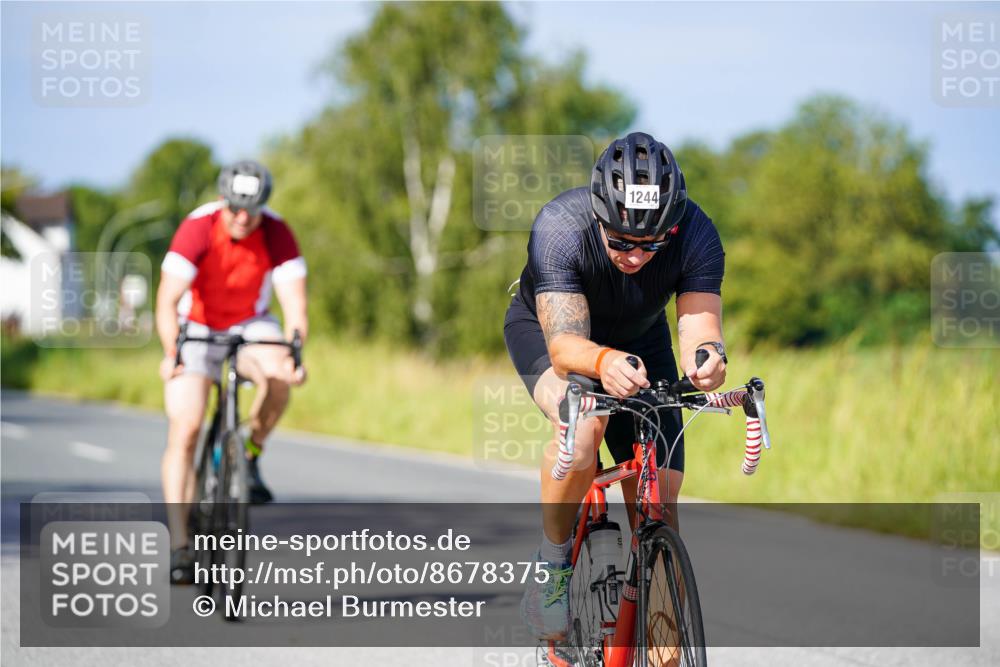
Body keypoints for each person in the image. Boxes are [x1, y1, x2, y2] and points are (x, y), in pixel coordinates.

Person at [503, 132, 727, 641]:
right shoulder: (561, 227)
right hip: (554, 335)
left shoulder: (696, 233)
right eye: (621, 241)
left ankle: (664, 640)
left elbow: (701, 330)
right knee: (583, 431)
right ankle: (554, 567)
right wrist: (602, 361)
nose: (635, 256)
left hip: (639, 342)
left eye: (652, 244)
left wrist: (708, 359)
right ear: (600, 215)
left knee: (660, 504)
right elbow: (565, 349)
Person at [155, 160, 308, 584]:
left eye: (253, 209)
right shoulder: (198, 227)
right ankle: (181, 546)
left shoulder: (276, 231)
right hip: (198, 325)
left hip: (249, 323)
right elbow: (167, 300)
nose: (243, 217)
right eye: (236, 208)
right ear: (224, 200)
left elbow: (294, 304)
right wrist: (172, 351)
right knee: (185, 428)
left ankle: (250, 455)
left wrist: (295, 351)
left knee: (279, 377)